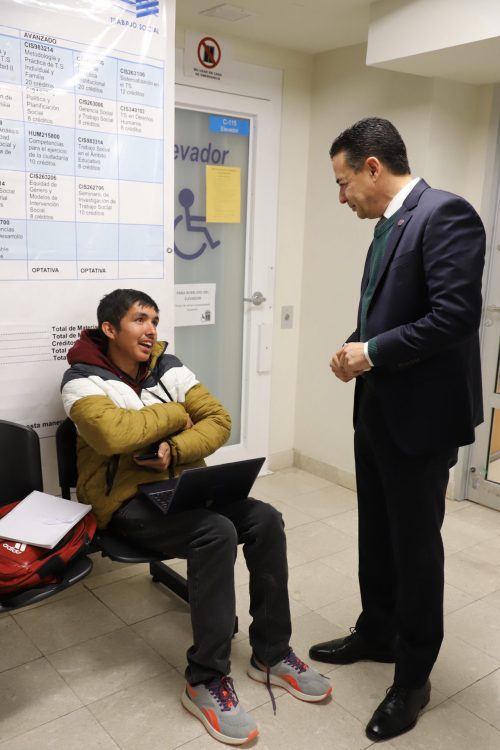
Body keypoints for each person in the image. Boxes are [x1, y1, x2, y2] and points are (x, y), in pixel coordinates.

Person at [61, 288, 331, 746]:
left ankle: (271, 653)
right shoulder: (80, 379)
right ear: (109, 329)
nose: (151, 330)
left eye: (154, 320)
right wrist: (175, 414)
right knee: (215, 532)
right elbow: (112, 435)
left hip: (183, 488)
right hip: (124, 503)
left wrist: (174, 448)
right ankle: (205, 679)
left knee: (265, 519)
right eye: (139, 320)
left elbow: (219, 420)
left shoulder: (169, 366)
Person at [309, 118, 485, 742]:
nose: (341, 197)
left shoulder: (446, 215)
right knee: (377, 531)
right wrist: (355, 346)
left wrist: (373, 352)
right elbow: (386, 314)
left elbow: (455, 317)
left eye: (343, 182)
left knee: (414, 546)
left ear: (373, 167)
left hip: (421, 418)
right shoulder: (388, 226)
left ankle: (413, 676)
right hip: (379, 409)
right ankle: (377, 631)